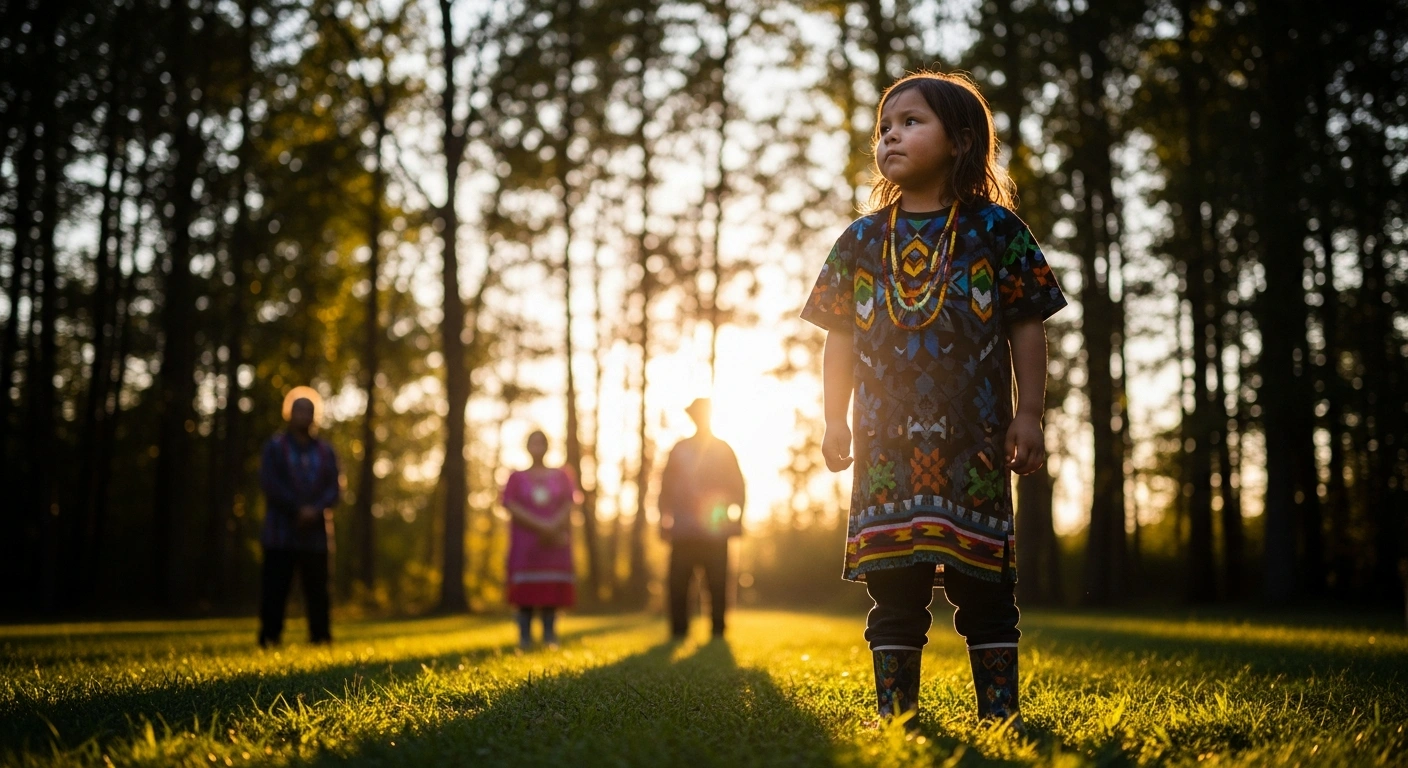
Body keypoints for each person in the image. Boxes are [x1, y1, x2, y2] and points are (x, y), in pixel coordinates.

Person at [801, 71, 1067, 731]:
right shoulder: (861, 240)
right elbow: (837, 338)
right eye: (885, 126)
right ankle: (897, 717)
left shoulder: (996, 230)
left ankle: (999, 715)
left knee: (985, 587)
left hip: (973, 444)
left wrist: (1028, 414)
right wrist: (834, 417)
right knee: (894, 588)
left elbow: (1027, 323)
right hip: (887, 450)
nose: (891, 134)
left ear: (960, 141)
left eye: (912, 121)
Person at [258, 390, 342, 647]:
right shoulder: (275, 447)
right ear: (289, 413)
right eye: (299, 409)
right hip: (281, 531)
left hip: (316, 533)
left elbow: (335, 487)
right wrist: (296, 509)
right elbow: (270, 483)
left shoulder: (326, 451)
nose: (304, 415)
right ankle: (270, 637)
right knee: (275, 588)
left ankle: (321, 637)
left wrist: (315, 510)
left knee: (318, 589)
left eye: (309, 410)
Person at [658, 398, 746, 640]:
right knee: (678, 583)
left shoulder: (724, 449)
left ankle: (718, 629)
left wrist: (738, 518)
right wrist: (662, 519)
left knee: (717, 583)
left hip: (716, 529)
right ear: (692, 417)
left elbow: (737, 484)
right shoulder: (679, 449)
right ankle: (678, 630)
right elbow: (665, 486)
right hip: (683, 528)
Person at [501, 430, 579, 650]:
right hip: (526, 545)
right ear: (526, 446)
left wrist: (553, 525)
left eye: (541, 442)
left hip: (555, 542)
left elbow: (570, 502)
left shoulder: (563, 475)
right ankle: (524, 637)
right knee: (526, 590)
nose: (537, 446)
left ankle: (549, 635)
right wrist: (541, 525)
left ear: (548, 446)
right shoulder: (516, 477)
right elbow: (510, 504)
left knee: (550, 589)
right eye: (533, 442)